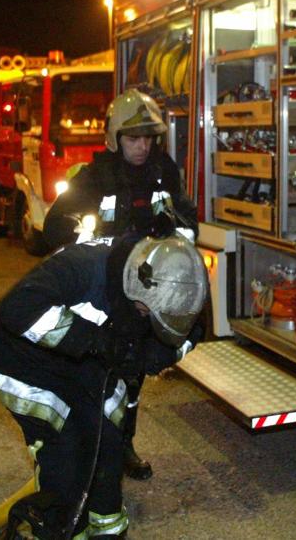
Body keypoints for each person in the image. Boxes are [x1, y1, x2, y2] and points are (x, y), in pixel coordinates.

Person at [0, 232, 207, 540]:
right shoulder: (85, 269)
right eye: (146, 313)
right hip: (25, 366)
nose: (148, 320)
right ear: (136, 288)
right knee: (65, 455)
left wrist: (151, 356)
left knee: (107, 442)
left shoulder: (167, 280)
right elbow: (17, 308)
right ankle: (61, 529)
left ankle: (109, 530)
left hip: (86, 366)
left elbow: (191, 331)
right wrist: (96, 341)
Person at [42, 89, 199, 480]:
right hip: (102, 295)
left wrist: (174, 226)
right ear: (114, 138)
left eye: (148, 137)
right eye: (133, 138)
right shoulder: (94, 177)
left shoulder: (165, 171)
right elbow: (54, 230)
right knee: (96, 374)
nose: (142, 146)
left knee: (133, 377)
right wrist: (90, 244)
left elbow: (189, 224)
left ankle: (123, 445)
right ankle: (90, 449)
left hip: (144, 296)